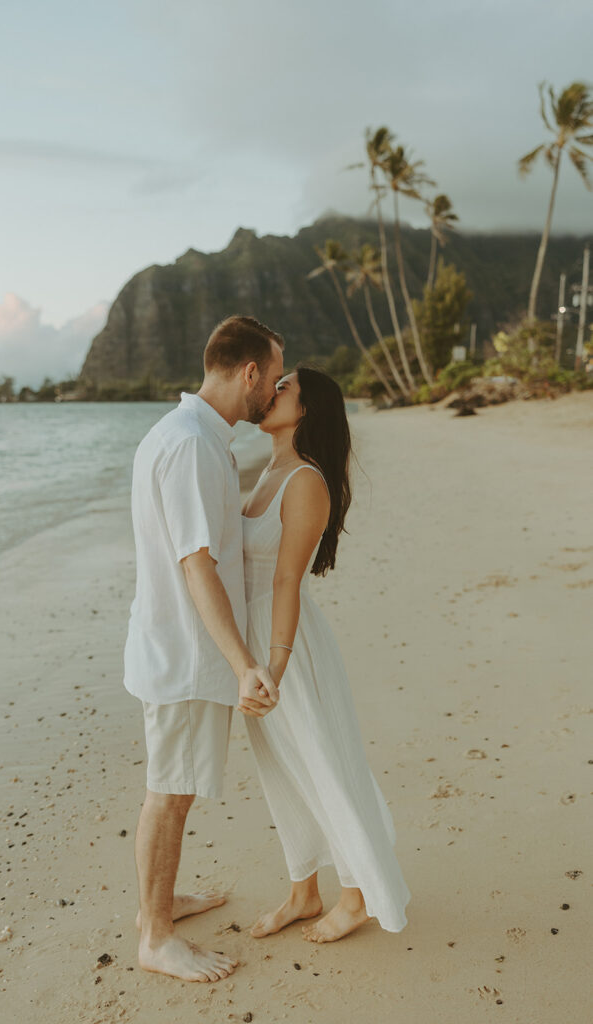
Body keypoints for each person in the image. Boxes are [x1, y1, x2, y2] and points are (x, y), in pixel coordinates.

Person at [123, 315, 285, 983]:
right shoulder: (190, 445)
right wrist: (244, 663)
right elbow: (198, 565)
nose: (273, 393)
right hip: (187, 652)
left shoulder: (192, 435)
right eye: (272, 379)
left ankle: (158, 906)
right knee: (169, 792)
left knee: (177, 789)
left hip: (175, 644)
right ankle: (155, 936)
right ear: (248, 372)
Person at [241, 366, 412, 942]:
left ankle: (357, 895)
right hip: (259, 646)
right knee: (284, 770)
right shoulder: (270, 467)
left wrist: (275, 666)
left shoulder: (306, 480)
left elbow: (287, 579)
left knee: (326, 764)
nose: (269, 392)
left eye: (282, 387)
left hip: (288, 647)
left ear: (307, 408)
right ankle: (303, 893)